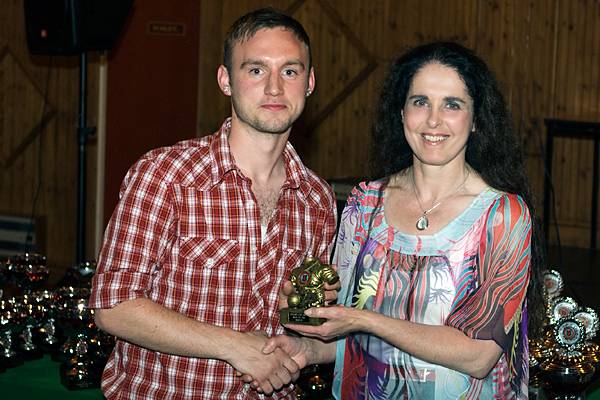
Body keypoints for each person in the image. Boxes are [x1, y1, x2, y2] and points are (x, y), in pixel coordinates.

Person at [258, 42, 544, 399]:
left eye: (452, 105)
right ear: (401, 113)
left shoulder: (503, 216)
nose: (433, 120)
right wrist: (310, 346)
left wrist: (363, 319)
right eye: (420, 102)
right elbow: (349, 334)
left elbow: (478, 355)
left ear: (476, 121)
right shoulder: (365, 206)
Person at [89, 7, 338, 399]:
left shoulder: (317, 199)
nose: (274, 87)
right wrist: (235, 346)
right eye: (256, 70)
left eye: (290, 71)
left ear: (309, 83)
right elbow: (112, 305)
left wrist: (306, 328)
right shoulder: (165, 175)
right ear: (226, 80)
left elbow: (304, 326)